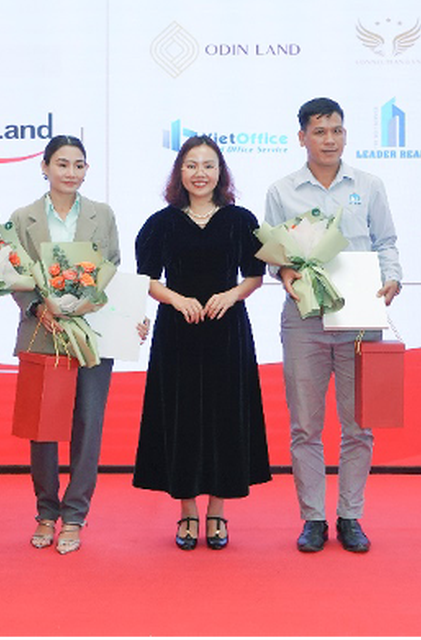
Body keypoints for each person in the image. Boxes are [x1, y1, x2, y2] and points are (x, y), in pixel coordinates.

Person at [264, 97, 401, 554]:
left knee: (359, 425)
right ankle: (313, 518)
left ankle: (350, 515)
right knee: (305, 426)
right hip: (305, 319)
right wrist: (284, 272)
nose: (330, 140)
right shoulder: (282, 191)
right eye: (320, 132)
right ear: (302, 137)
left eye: (337, 131)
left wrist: (393, 277)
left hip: (361, 317)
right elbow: (271, 253)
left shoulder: (369, 185)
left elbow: (386, 242)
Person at [133, 136, 270, 550]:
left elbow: (255, 275)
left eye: (208, 165)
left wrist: (232, 295)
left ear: (220, 172)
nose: (200, 173)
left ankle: (218, 512)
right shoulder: (161, 223)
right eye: (191, 165)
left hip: (227, 333)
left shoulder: (241, 220)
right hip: (177, 334)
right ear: (180, 172)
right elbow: (146, 279)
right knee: (183, 419)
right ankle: (188, 511)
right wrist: (176, 299)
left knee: (225, 417)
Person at [9, 136, 122, 555]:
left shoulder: (102, 214)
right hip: (42, 330)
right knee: (42, 428)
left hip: (91, 332)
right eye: (62, 164)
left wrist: (91, 299)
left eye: (78, 165)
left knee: (87, 425)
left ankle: (75, 515)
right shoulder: (23, 218)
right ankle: (45, 511)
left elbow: (112, 264)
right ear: (44, 167)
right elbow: (12, 271)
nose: (70, 172)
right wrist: (38, 305)